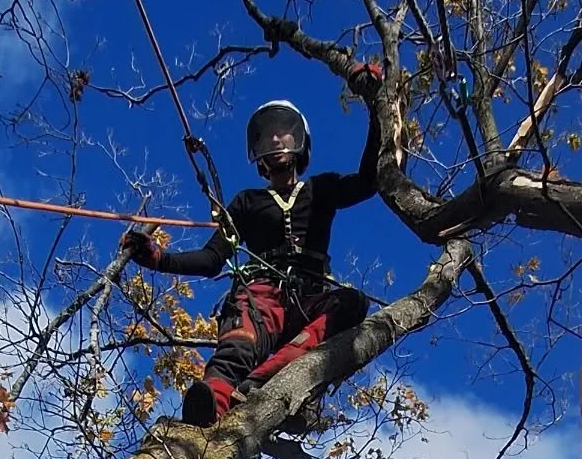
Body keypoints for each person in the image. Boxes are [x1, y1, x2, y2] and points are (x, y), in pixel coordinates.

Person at [124, 82, 388, 426]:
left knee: (351, 304)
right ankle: (209, 409)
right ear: (258, 154)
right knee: (237, 345)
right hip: (260, 294)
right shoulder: (247, 202)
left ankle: (264, 384)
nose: (276, 141)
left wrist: (375, 104)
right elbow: (212, 259)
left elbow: (369, 181)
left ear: (300, 143)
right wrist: (159, 259)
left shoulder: (321, 189)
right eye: (267, 138)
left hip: (310, 298)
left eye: (285, 134)